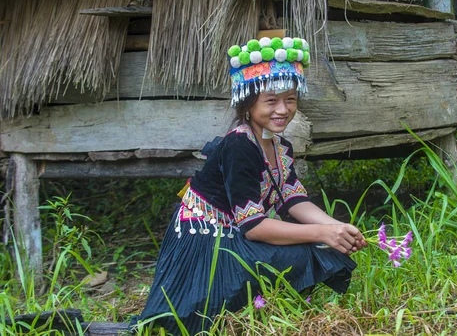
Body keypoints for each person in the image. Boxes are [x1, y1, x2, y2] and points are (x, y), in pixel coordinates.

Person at [133, 36, 367, 335]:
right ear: (247, 102)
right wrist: (324, 233)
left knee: (322, 246)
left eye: (291, 99)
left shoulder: (279, 144)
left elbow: (292, 200)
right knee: (310, 250)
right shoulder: (239, 145)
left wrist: (337, 227)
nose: (283, 109)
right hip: (207, 243)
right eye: (271, 100)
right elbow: (254, 227)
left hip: (232, 234)